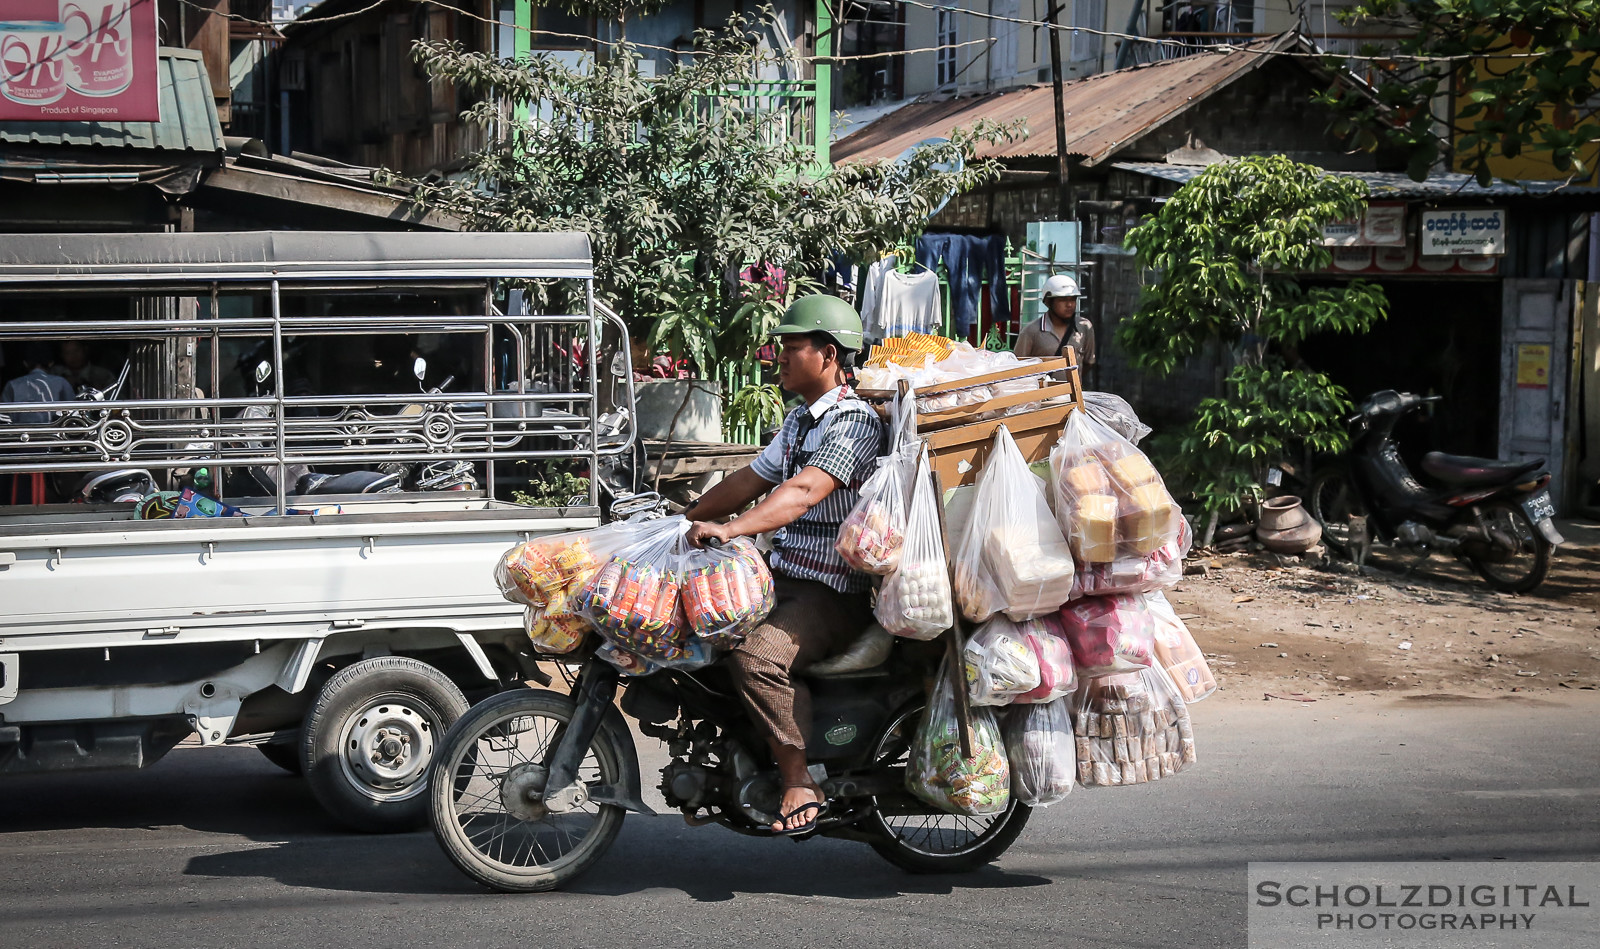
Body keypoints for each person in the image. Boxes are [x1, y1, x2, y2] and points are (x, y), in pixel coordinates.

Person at [683, 295, 884, 836]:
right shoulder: (799, 422)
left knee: (757, 655)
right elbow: (748, 481)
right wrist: (680, 522)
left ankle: (799, 779)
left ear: (829, 355)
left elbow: (802, 491)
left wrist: (730, 529)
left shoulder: (854, 423)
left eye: (793, 347)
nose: (781, 357)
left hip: (831, 591)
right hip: (783, 578)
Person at [1013, 273, 1095, 372]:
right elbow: (1017, 368)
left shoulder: (1084, 327)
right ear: (1048, 302)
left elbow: (1088, 362)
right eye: (1062, 300)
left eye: (1073, 299)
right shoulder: (1031, 331)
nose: (1069, 304)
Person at [2, 343, 76, 425]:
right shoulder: (62, 382)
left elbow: (4, 419)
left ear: (25, 363)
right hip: (55, 436)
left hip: (22, 436)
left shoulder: (12, 385)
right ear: (50, 363)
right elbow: (73, 415)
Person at [49, 340, 115, 394]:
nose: (73, 356)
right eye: (67, 353)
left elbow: (117, 400)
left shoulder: (103, 375)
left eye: (76, 351)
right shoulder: (54, 374)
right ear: (62, 355)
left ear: (85, 349)